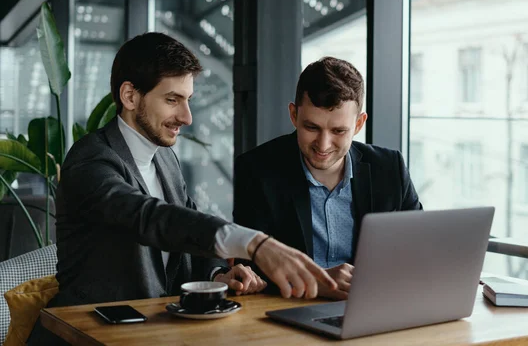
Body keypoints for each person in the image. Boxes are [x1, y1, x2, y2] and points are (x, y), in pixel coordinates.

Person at [28, 33, 335, 345]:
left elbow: (187, 228)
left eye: (188, 100)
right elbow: (151, 218)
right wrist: (254, 243)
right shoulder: (90, 160)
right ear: (130, 96)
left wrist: (218, 276)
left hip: (153, 334)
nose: (186, 117)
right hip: (82, 337)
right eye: (172, 100)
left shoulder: (165, 159)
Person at [233, 56, 422, 300]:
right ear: (293, 115)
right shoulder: (257, 170)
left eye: (338, 131)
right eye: (311, 127)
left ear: (358, 124)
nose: (323, 145)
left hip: (374, 305)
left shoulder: (389, 168)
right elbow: (249, 269)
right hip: (288, 311)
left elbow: (418, 248)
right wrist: (316, 282)